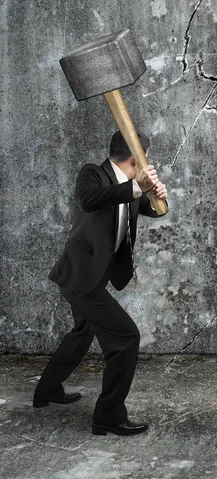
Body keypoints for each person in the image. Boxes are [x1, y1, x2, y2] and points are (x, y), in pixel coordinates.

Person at [33, 130, 168, 436]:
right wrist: (136, 187)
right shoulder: (93, 173)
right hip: (80, 278)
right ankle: (107, 417)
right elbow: (87, 199)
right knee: (126, 338)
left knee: (82, 332)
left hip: (95, 277)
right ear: (137, 158)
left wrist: (159, 196)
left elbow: (151, 208)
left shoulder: (131, 188)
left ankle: (46, 391)